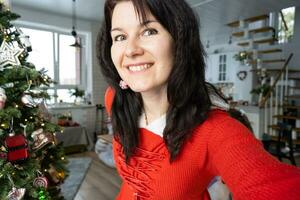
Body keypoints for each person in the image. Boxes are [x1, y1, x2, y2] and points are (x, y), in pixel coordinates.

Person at [97, 0, 300, 199]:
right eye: (120, 37)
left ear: (180, 40)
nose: (130, 50)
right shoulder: (115, 99)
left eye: (149, 31)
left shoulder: (216, 132)